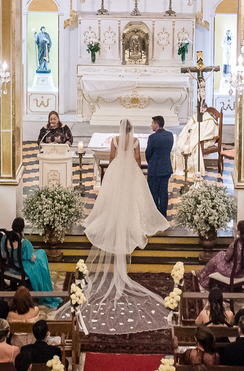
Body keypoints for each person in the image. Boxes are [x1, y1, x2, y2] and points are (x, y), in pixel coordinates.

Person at [74, 118, 171, 334]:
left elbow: (110, 158)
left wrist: (115, 172)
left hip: (117, 169)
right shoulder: (136, 140)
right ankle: (132, 225)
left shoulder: (116, 140)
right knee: (134, 203)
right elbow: (138, 160)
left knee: (112, 203)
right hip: (130, 171)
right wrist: (135, 175)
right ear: (132, 129)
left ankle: (113, 223)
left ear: (120, 129)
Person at [10, 217, 59, 306]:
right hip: (22, 267)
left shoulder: (5, 238)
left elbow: (3, 254)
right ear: (22, 228)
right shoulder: (24, 242)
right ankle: (44, 287)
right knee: (41, 255)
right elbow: (32, 259)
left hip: (10, 266)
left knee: (40, 255)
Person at [199, 220, 244, 290]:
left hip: (234, 272)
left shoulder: (236, 244)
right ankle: (205, 276)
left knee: (218, 257)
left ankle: (204, 277)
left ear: (239, 232)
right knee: (220, 256)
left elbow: (227, 258)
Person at [145, 115, 174, 217]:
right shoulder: (170, 135)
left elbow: (148, 154)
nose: (151, 125)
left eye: (152, 123)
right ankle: (163, 215)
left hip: (154, 169)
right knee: (163, 192)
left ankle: (155, 215)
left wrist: (152, 163)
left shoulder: (152, 138)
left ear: (156, 124)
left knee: (154, 193)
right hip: (166, 168)